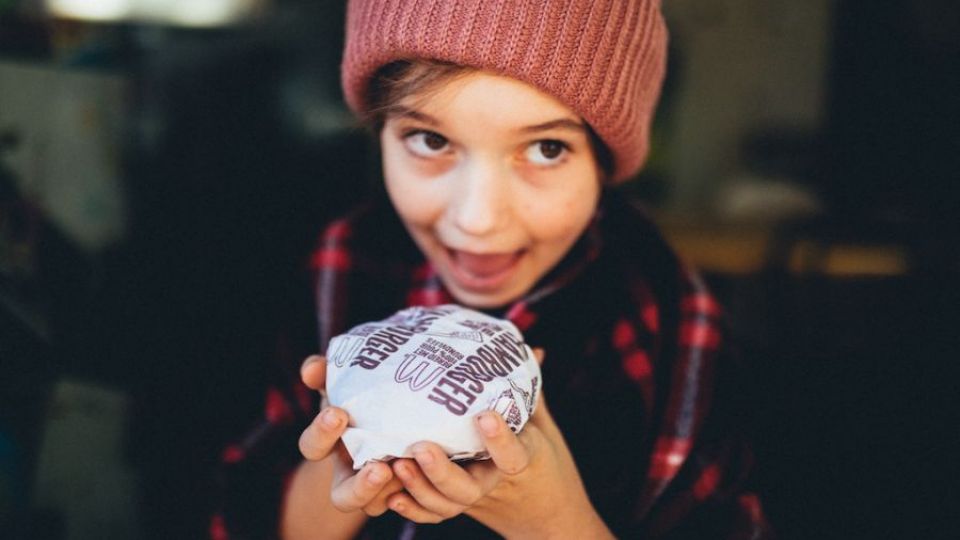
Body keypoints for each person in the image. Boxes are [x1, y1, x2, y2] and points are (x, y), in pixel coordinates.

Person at [213, 0, 773, 538]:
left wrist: (550, 522)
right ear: (380, 135)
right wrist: (344, 463)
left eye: (547, 148)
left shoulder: (671, 320)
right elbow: (247, 516)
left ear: (603, 163)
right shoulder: (343, 263)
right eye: (430, 139)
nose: (477, 219)